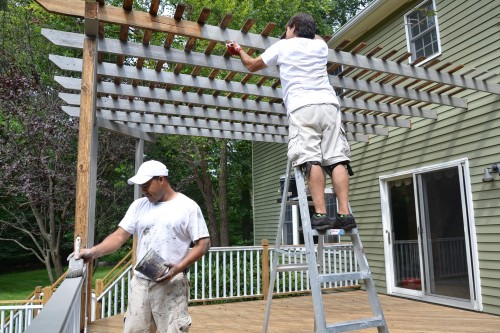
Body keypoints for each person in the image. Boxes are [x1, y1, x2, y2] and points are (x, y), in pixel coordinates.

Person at [226, 12, 356, 230]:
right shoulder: (320, 46)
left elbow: (251, 65)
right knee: (337, 159)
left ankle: (321, 214)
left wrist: (238, 49)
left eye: (287, 28)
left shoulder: (282, 47)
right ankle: (344, 214)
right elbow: (314, 37)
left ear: (293, 27)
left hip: (302, 106)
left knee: (311, 159)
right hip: (330, 106)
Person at [72, 160, 210, 332]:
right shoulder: (138, 206)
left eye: (146, 185)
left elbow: (203, 244)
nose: (143, 191)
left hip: (172, 282)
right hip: (141, 283)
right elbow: (119, 236)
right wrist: (92, 252)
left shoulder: (187, 207)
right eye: (140, 186)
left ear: (161, 179)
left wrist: (179, 268)